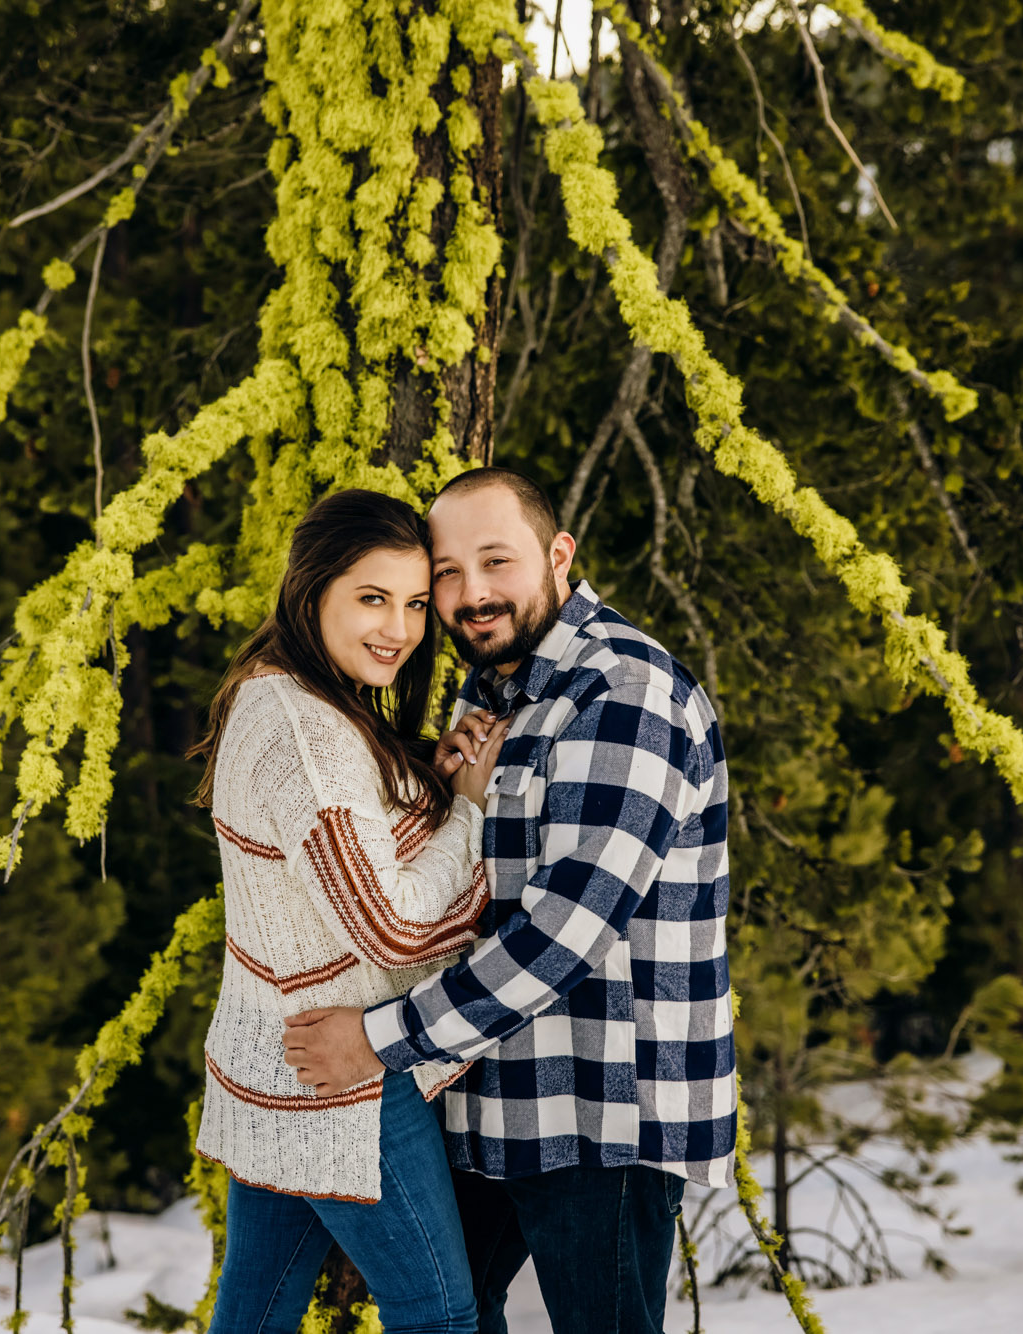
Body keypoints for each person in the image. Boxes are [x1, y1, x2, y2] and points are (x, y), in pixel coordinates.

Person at [281, 467, 736, 1334]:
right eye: (448, 573)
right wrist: (446, 794)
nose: (472, 594)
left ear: (560, 554)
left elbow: (563, 934)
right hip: (490, 1095)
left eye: (498, 561)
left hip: (603, 1108)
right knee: (444, 1317)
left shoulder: (623, 693)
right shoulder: (495, 687)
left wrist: (379, 1043)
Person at [188, 488, 510, 1334]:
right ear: (312, 589)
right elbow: (391, 928)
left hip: (272, 1055)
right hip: (340, 1070)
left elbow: (341, 857)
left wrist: (428, 788)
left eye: (412, 604)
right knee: (438, 1314)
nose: (399, 630)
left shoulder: (286, 695)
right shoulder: (306, 735)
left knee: (255, 1314)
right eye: (372, 598)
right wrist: (470, 815)